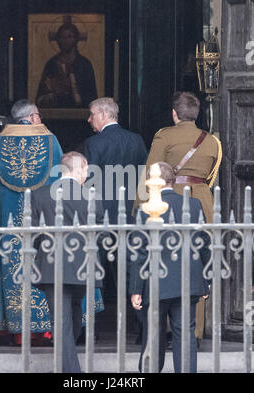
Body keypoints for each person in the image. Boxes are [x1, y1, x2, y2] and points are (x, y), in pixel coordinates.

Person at [0, 99, 63, 342]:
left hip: (8, 223)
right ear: (33, 117)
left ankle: (15, 327)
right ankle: (45, 327)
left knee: (13, 271)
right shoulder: (50, 141)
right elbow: (60, 182)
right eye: (39, 115)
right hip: (43, 221)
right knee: (43, 268)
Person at [133, 91, 222, 342]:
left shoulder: (165, 136)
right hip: (203, 201)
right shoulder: (213, 141)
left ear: (174, 114)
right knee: (199, 263)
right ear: (196, 114)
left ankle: (169, 330)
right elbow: (211, 176)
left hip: (168, 199)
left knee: (166, 258)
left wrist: (140, 206)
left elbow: (152, 172)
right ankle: (193, 331)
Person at [129, 161, 210, 373]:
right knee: (185, 335)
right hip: (188, 282)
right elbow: (203, 245)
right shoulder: (194, 206)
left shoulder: (144, 211)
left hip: (156, 284)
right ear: (173, 181)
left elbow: (139, 253)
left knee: (153, 336)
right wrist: (205, 281)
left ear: (151, 183)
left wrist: (136, 289)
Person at [31, 151, 104, 372]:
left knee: (62, 319)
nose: (88, 173)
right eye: (86, 169)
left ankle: (70, 369)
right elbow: (99, 232)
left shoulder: (40, 195)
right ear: (79, 168)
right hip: (83, 266)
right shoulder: (92, 196)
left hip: (53, 265)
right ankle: (70, 366)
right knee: (73, 311)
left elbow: (33, 233)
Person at [84, 97, 148, 305]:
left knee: (94, 270)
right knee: (134, 270)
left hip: (102, 217)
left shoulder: (94, 143)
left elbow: (89, 183)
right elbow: (145, 177)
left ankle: (89, 325)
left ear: (103, 115)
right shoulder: (136, 140)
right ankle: (141, 327)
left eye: (91, 114)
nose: (88, 119)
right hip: (132, 214)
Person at [36, 21, 97, 108]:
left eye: (69, 36)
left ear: (76, 39)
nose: (66, 40)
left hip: (80, 115)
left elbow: (91, 96)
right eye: (62, 37)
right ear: (58, 40)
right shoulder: (52, 64)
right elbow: (41, 98)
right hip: (55, 115)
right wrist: (55, 92)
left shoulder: (84, 64)